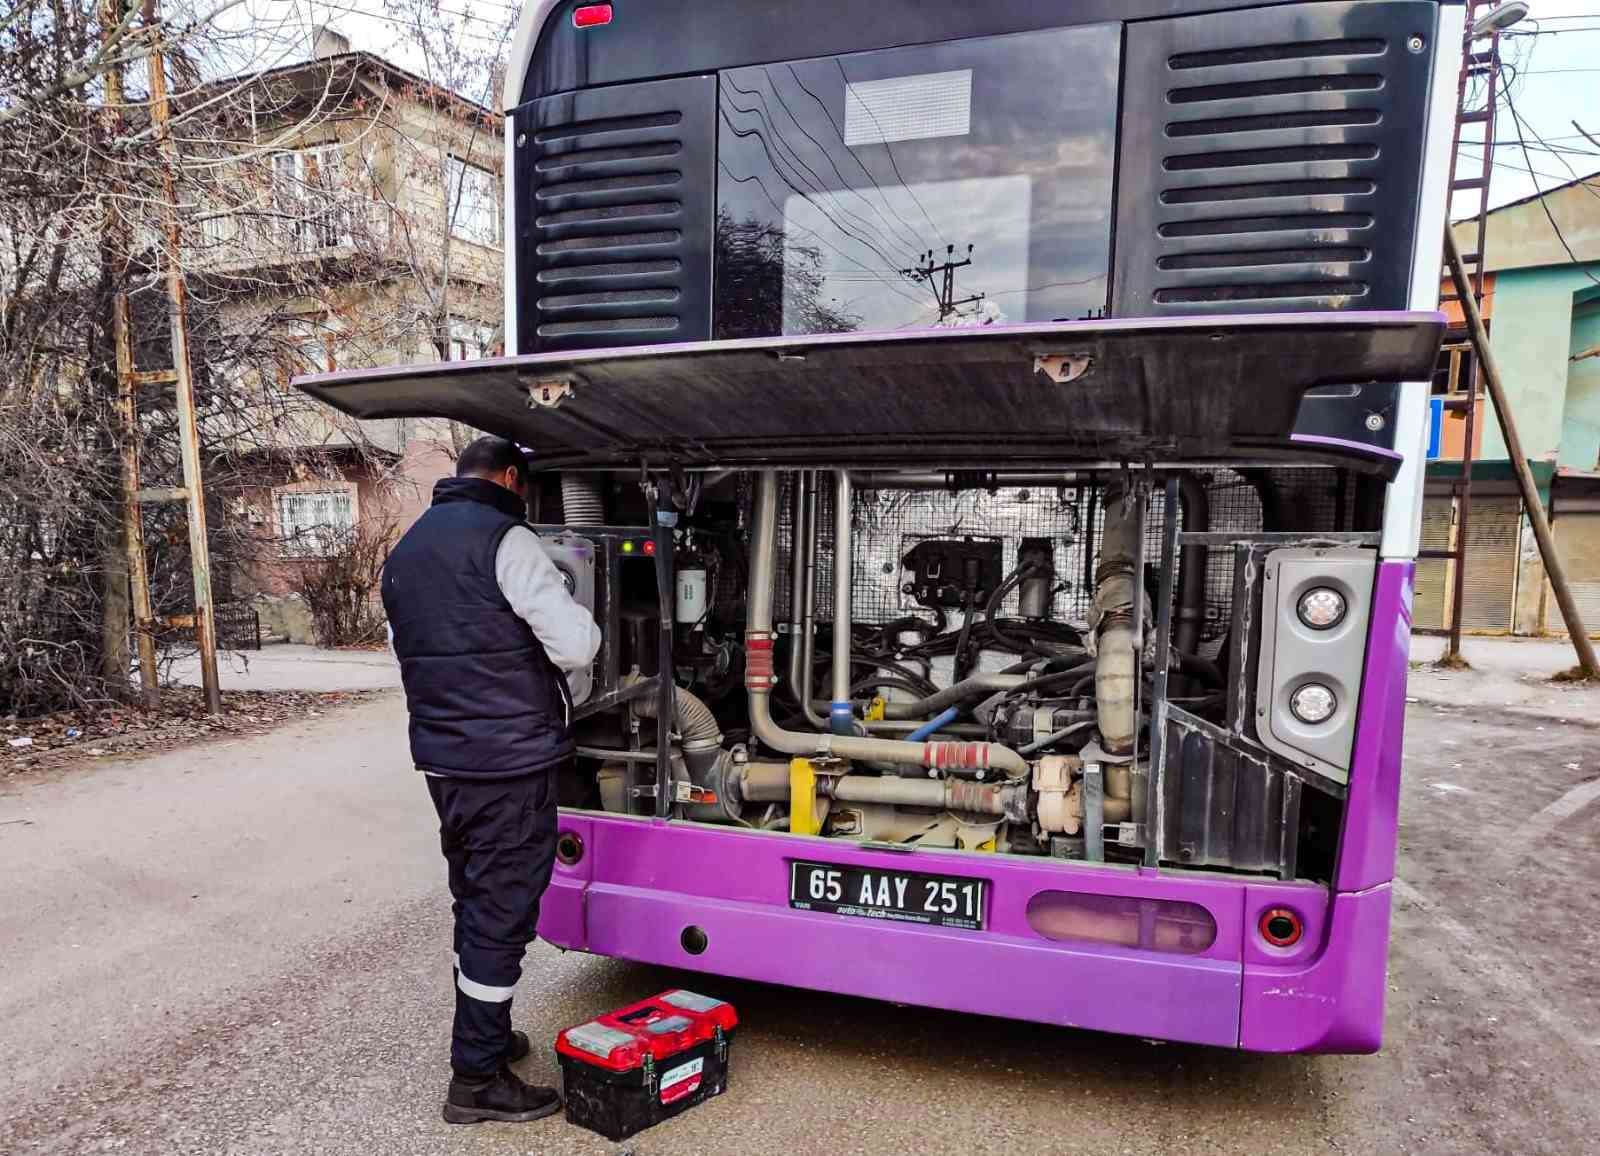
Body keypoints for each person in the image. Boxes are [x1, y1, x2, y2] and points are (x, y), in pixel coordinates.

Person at [382, 435, 601, 1125]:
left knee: (474, 901)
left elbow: (409, 650)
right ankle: (476, 1079)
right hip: (509, 762)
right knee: (501, 914)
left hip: (446, 763)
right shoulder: (507, 541)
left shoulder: (407, 549)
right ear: (511, 478)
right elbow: (574, 646)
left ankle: (488, 1032)